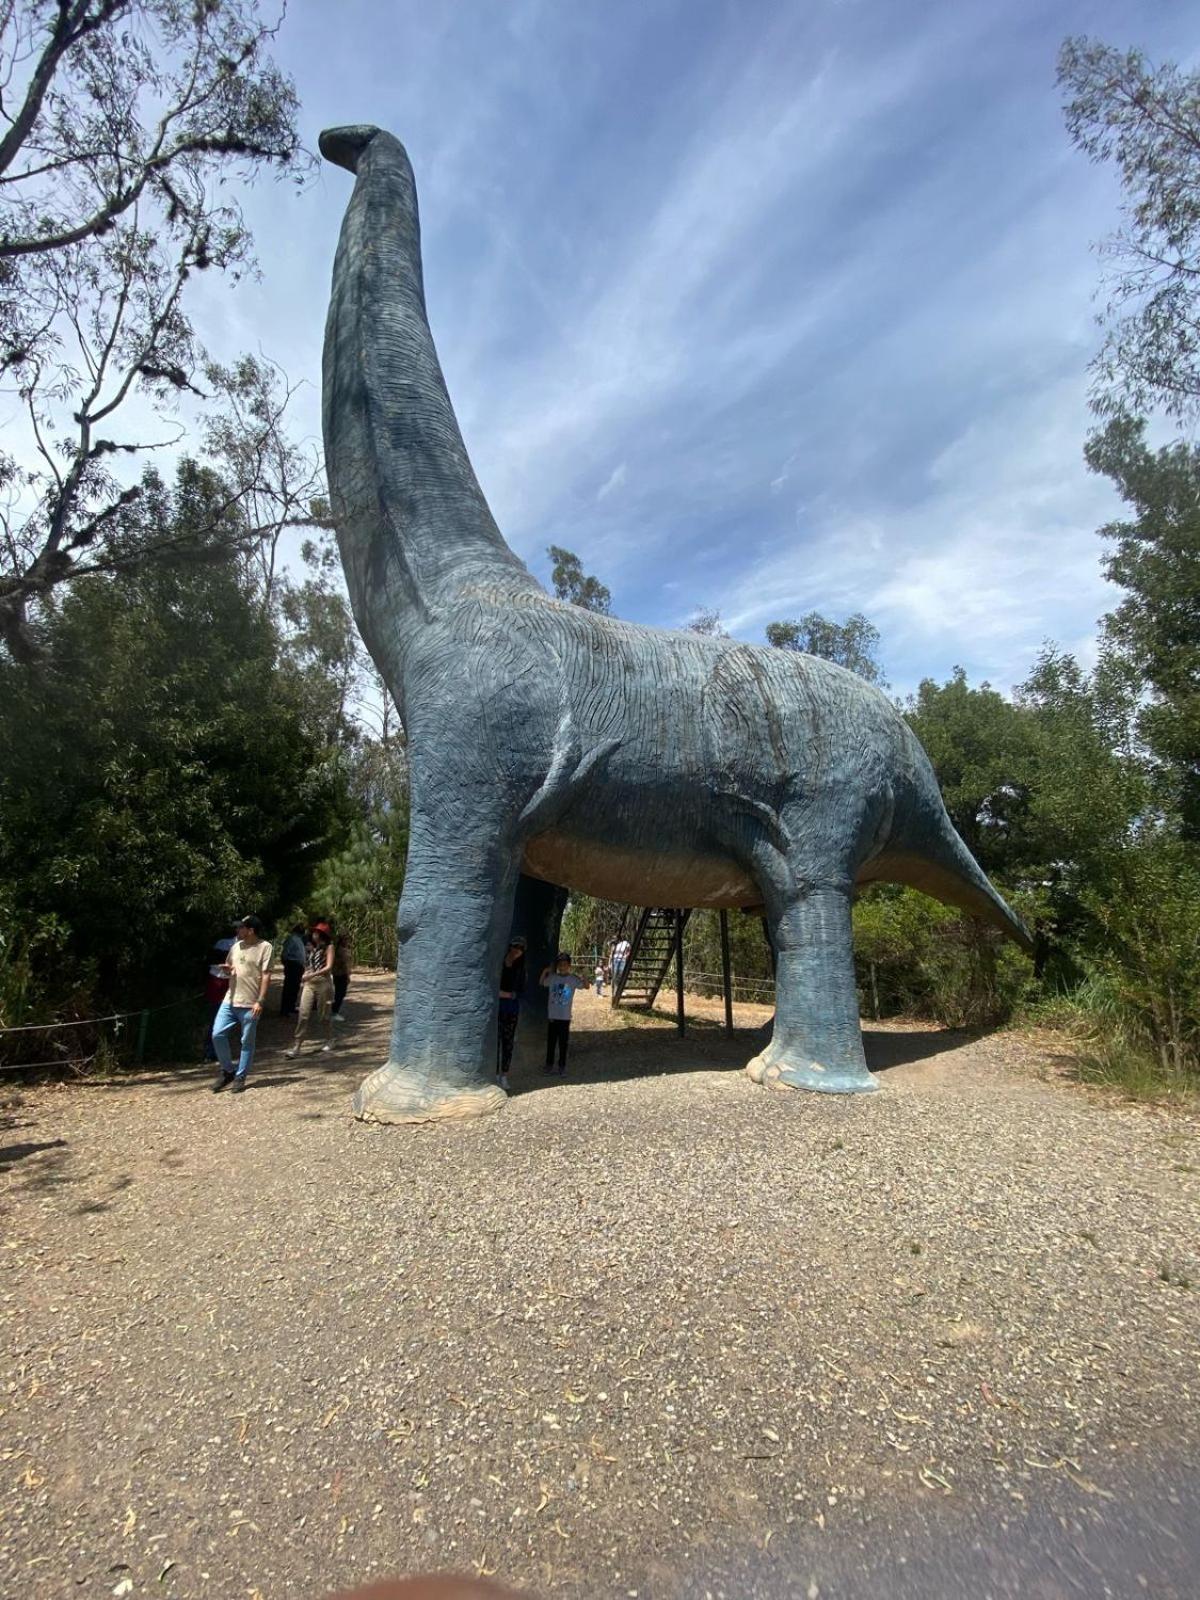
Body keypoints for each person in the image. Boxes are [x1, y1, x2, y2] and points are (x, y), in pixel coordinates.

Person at [211, 916, 273, 1092]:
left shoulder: (265, 947)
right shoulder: (235, 946)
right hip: (230, 1000)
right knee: (217, 1034)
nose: (237, 931)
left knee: (247, 1041)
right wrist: (228, 970)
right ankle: (228, 1070)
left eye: (241, 928)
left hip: (250, 1003)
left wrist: (260, 1001)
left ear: (251, 930)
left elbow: (266, 975)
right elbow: (231, 967)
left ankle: (240, 1076)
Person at [285, 926, 335, 1058]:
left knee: (324, 1015)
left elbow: (328, 967)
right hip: (309, 984)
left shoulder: (329, 948)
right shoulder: (313, 948)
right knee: (303, 1013)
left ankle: (329, 1038)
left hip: (323, 982)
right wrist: (307, 972)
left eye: (316, 932)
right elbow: (309, 965)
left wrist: (312, 974)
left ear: (322, 934)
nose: (313, 934)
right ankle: (297, 1046)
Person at [539, 951, 587, 1075]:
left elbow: (586, 986)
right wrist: (545, 972)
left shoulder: (573, 979)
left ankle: (562, 1066)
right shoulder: (553, 977)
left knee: (563, 1044)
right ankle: (549, 1066)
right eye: (560, 964)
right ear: (557, 966)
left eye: (565, 964)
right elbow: (542, 983)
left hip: (565, 1017)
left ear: (569, 965)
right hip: (553, 1016)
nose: (562, 966)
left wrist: (584, 977)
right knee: (551, 1043)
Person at [202, 933, 236, 1061]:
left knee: (229, 1018)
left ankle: (220, 1051)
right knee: (215, 1016)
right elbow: (213, 962)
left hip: (231, 982)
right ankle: (211, 1051)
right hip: (218, 981)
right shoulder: (223, 943)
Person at [496, 935, 527, 1077]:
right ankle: (495, 1073)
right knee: (495, 1042)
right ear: (510, 946)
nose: (517, 950)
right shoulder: (498, 963)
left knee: (508, 1043)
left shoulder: (521, 969)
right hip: (495, 1009)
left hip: (511, 1010)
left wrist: (505, 994)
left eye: (521, 949)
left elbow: (521, 992)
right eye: (516, 946)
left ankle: (504, 1075)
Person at [280, 923, 306, 1017]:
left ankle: (291, 1006)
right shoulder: (291, 939)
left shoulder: (299, 939)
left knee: (295, 988)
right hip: (292, 965)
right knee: (289, 988)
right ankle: (285, 1010)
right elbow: (285, 953)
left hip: (298, 966)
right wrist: (287, 964)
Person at [331, 932, 354, 1023]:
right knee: (340, 993)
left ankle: (334, 1011)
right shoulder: (342, 950)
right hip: (341, 974)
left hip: (337, 974)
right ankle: (334, 1012)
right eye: (346, 939)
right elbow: (345, 964)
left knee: (339, 993)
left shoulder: (338, 949)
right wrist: (348, 975)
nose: (348, 941)